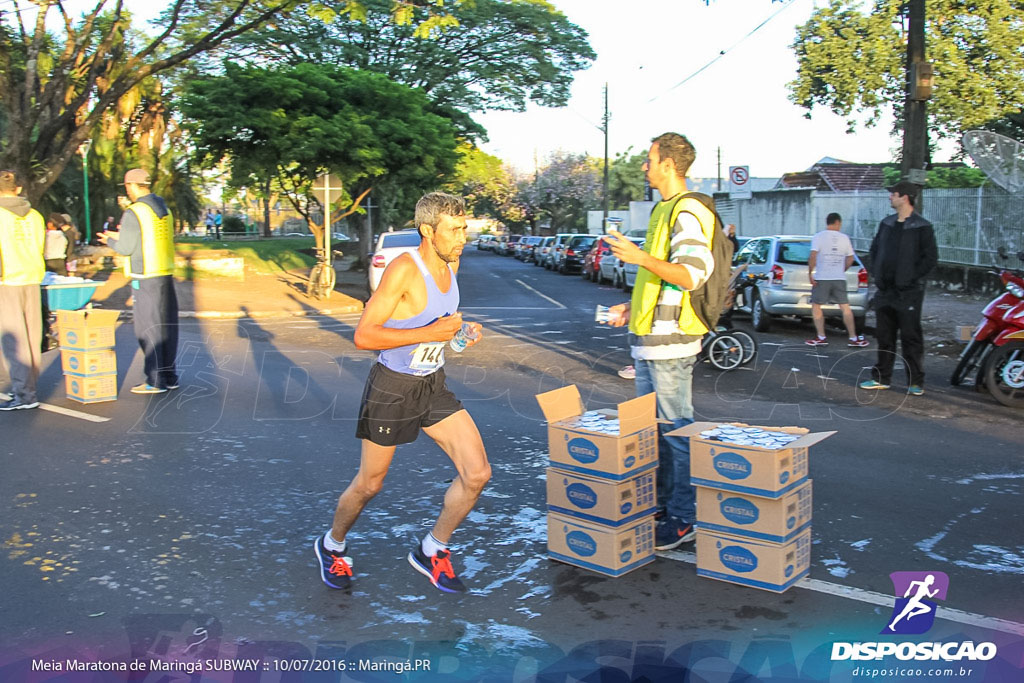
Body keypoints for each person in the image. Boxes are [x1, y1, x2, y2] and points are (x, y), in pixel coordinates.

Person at [314, 192, 489, 594]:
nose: (463, 237)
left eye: (465, 227)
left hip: (432, 384)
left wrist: (459, 336)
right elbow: (364, 335)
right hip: (392, 388)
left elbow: (438, 330)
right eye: (455, 229)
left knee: (477, 474)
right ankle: (332, 545)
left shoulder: (451, 263)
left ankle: (432, 549)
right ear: (428, 231)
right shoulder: (403, 271)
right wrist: (434, 332)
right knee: (370, 484)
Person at [603, 133, 716, 551]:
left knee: (676, 432)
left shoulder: (687, 209)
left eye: (650, 161)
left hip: (671, 343)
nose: (644, 168)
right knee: (657, 432)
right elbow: (660, 278)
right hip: (649, 340)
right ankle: (667, 506)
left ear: (669, 164)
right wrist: (632, 308)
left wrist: (638, 258)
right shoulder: (663, 209)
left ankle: (684, 517)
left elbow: (690, 274)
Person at [98, 169, 180, 394]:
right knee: (166, 328)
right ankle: (169, 376)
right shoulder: (164, 209)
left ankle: (155, 380)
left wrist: (111, 242)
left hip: (144, 276)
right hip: (164, 273)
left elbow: (125, 248)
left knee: (148, 329)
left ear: (130, 186)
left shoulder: (135, 211)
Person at [860, 181, 937, 396]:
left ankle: (915, 382)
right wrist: (877, 274)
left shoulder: (922, 227)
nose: (890, 197)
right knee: (884, 336)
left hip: (909, 293)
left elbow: (930, 259)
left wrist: (910, 278)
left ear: (905, 197)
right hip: (885, 291)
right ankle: (881, 378)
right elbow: (874, 250)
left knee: (911, 337)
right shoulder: (887, 223)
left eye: (893, 194)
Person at [0, 170, 46, 410]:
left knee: (13, 341)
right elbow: (40, 246)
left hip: (8, 280)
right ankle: (28, 386)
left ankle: (24, 395)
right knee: (31, 336)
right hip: (32, 277)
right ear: (18, 188)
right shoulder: (36, 216)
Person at [805, 213, 868, 348]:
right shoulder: (845, 238)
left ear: (827, 222)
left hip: (822, 277)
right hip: (839, 277)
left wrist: (810, 273)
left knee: (816, 306)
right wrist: (842, 269)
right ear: (838, 222)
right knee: (845, 307)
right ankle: (853, 337)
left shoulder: (818, 237)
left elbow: (813, 255)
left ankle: (821, 336)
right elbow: (850, 258)